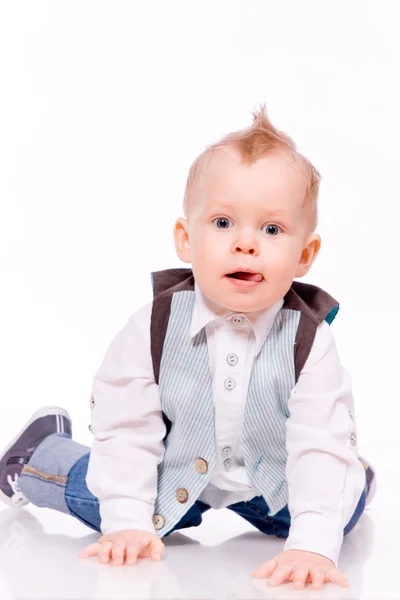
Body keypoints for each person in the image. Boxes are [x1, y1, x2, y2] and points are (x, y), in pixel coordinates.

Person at [0, 105, 375, 590]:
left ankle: (354, 478)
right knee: (103, 501)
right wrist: (127, 523)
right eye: (222, 223)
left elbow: (318, 440)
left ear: (304, 255)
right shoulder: (153, 327)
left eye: (272, 229)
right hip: (170, 472)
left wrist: (313, 544)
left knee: (332, 519)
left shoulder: (309, 340)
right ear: (185, 239)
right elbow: (127, 428)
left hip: (271, 481)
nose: (245, 243)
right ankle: (36, 454)